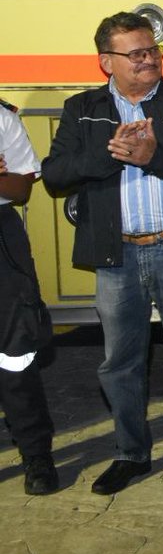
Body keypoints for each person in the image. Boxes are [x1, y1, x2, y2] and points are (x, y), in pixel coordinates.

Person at [42, 12, 163, 495]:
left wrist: (152, 157)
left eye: (153, 51)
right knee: (120, 361)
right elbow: (55, 174)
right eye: (137, 53)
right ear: (107, 61)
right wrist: (111, 152)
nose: (149, 60)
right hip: (116, 255)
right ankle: (130, 453)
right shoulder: (81, 108)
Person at [0, 99, 58, 495]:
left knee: (14, 355)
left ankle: (37, 455)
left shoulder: (2, 118)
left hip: (1, 239)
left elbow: (20, 188)